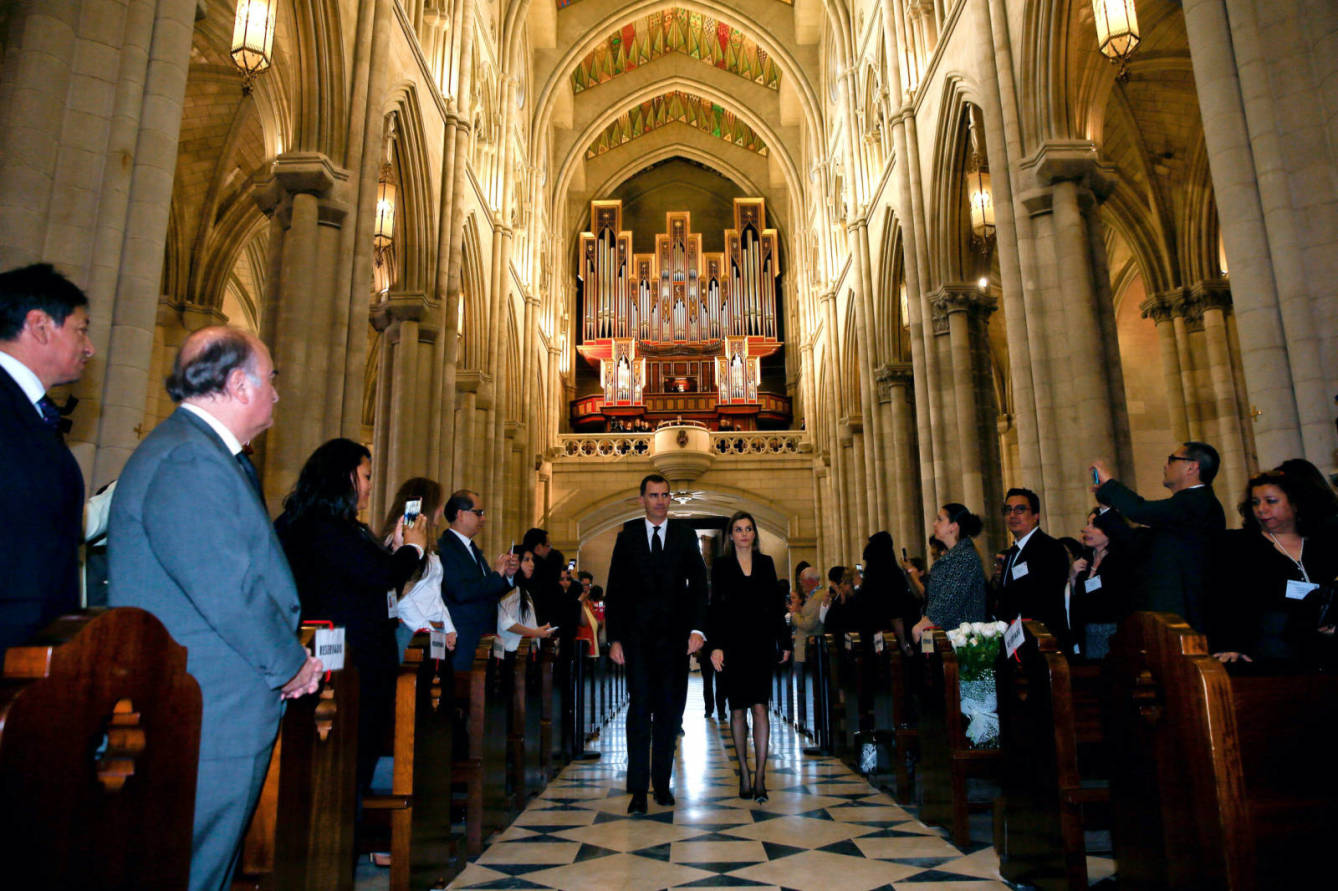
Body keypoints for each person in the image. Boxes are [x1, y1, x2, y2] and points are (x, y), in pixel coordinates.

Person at [108, 326, 322, 891]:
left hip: (215, 699)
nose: (277, 394)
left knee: (206, 863)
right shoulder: (188, 460)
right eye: (271, 380)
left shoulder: (203, 454)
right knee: (191, 866)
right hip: (207, 707)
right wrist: (290, 663)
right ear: (236, 383)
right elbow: (229, 590)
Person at [275, 438, 428, 797]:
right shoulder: (325, 525)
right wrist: (413, 548)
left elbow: (360, 571)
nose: (371, 486)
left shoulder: (322, 523)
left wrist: (390, 550)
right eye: (366, 476)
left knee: (350, 771)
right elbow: (379, 576)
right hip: (344, 669)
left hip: (354, 667)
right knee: (341, 776)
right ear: (344, 477)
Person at [0, 263, 93, 661]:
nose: (89, 347)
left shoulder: (27, 409)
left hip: (33, 652)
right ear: (39, 326)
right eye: (81, 329)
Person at [605, 473, 709, 814]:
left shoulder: (683, 534)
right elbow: (616, 589)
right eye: (653, 495)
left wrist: (697, 628)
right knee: (638, 713)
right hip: (636, 641)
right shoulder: (629, 535)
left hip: (674, 641)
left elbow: (698, 585)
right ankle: (637, 790)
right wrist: (615, 637)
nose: (660, 501)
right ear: (642, 500)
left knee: (668, 713)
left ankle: (662, 785)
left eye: (665, 495)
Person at [1210, 470, 1338, 670]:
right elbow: (1227, 599)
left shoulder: (1322, 545)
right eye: (1255, 502)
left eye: (1271, 501)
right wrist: (1231, 644)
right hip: (1265, 652)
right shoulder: (1239, 545)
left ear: (1295, 504)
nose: (1261, 509)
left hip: (1321, 652)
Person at [1091, 443, 1226, 631]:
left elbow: (1140, 510)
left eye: (1172, 460)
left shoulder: (1199, 501)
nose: (1165, 465)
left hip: (1187, 613)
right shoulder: (1182, 506)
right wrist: (1106, 508)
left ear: (1191, 467)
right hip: (1167, 611)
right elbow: (1136, 542)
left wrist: (1111, 485)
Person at [707, 511, 790, 802]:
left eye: (749, 529)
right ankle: (743, 770)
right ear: (731, 535)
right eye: (739, 529)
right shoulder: (720, 565)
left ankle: (760, 776)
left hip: (761, 644)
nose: (744, 534)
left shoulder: (766, 564)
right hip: (732, 645)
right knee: (738, 709)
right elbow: (715, 607)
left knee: (760, 707)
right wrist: (715, 645)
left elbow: (776, 606)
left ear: (754, 534)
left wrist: (784, 640)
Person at [437, 489, 518, 670]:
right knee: (462, 691)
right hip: (463, 633)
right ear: (460, 514)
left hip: (482, 633)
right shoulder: (446, 548)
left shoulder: (471, 548)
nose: (484, 518)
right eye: (479, 512)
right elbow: (460, 592)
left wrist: (507, 576)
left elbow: (487, 590)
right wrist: (496, 575)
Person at [379, 478, 457, 656]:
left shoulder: (428, 547)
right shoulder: (398, 540)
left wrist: (449, 627)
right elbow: (401, 595)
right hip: (409, 630)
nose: (441, 510)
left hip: (431, 631)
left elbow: (434, 593)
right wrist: (426, 629)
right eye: (438, 504)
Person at [993, 488, 1072, 648]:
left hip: (1043, 640)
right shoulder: (1012, 553)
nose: (1012, 515)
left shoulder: (1050, 548)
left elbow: (1047, 597)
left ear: (1036, 516)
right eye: (1008, 510)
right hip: (1016, 640)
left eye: (1020, 509)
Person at [911, 504, 988, 642]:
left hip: (961, 640)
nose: (934, 523)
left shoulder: (965, 557)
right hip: (947, 636)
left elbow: (950, 599)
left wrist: (925, 623)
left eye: (940, 519)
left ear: (954, 526)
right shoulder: (952, 557)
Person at [1071, 507, 1137, 660]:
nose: (1086, 529)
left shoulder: (1119, 560)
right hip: (1085, 631)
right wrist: (1073, 575)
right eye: (1087, 524)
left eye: (1094, 526)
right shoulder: (1085, 559)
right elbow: (1079, 597)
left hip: (1112, 632)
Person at [495, 547, 555, 655]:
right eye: (526, 560)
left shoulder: (523, 589)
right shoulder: (507, 588)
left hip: (523, 649)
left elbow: (523, 621)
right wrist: (535, 632)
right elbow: (506, 623)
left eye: (532, 560)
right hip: (510, 650)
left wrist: (540, 630)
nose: (532, 564)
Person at [862, 531, 915, 653]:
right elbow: (896, 615)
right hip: (890, 637)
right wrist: (904, 642)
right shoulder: (894, 575)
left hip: (872, 633)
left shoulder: (869, 575)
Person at [790, 564, 825, 663]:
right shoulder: (813, 596)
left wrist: (794, 614)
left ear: (810, 581)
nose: (800, 583)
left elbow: (808, 624)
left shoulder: (818, 597)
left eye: (802, 580)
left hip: (814, 645)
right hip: (807, 645)